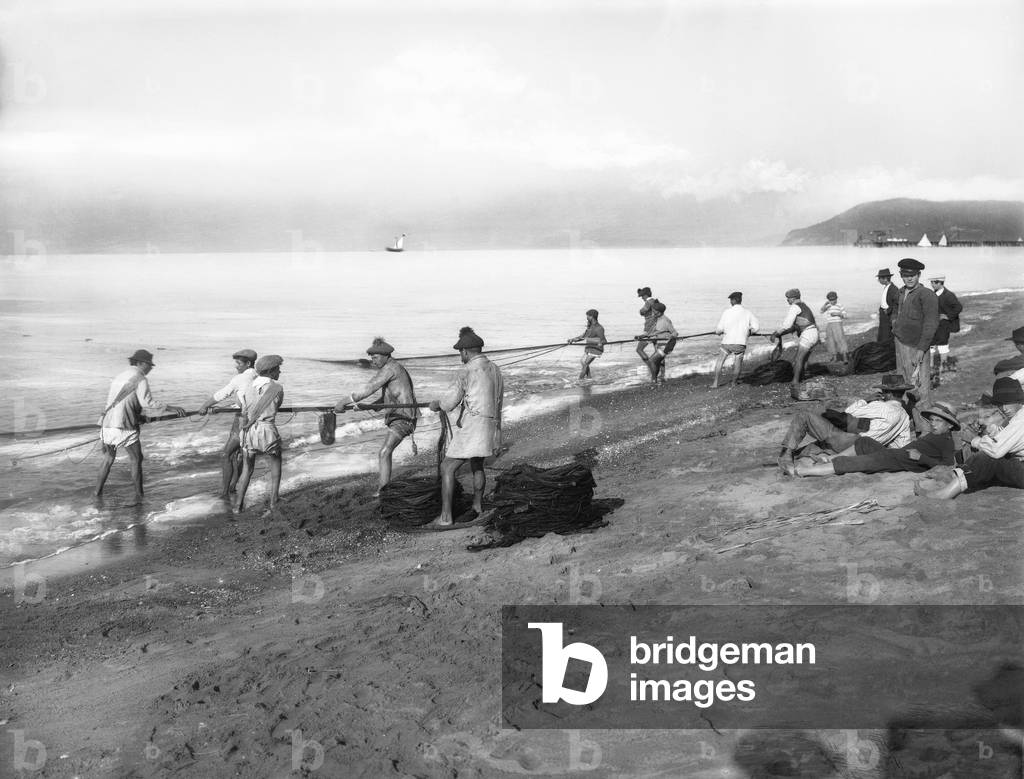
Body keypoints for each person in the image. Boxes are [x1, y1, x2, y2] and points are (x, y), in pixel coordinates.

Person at [427, 327, 504, 527]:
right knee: (477, 464)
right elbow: (499, 402)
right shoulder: (495, 369)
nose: (460, 356)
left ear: (466, 352)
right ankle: (477, 507)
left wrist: (436, 404)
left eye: (460, 353)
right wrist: (498, 431)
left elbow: (449, 403)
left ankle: (445, 517)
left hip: (473, 426)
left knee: (447, 467)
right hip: (490, 424)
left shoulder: (467, 371)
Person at [95, 349, 187, 503]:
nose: (150, 368)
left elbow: (119, 402)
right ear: (140, 363)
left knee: (108, 459)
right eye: (149, 365)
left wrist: (138, 416)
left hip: (107, 424)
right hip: (124, 427)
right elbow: (147, 403)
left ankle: (97, 493)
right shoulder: (140, 378)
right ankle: (140, 496)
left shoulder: (119, 376)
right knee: (136, 459)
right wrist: (172, 408)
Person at [777, 373, 913, 475]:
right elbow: (902, 445)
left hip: (852, 442)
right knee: (818, 446)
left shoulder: (880, 406)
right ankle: (801, 456)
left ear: (886, 394)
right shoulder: (905, 417)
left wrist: (865, 400)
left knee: (805, 415)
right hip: (865, 450)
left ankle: (786, 454)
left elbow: (849, 412)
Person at [335, 337, 418, 496]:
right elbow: (387, 397)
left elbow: (368, 388)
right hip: (401, 415)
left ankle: (383, 490)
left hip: (404, 417)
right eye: (371, 358)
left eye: (375, 358)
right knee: (385, 452)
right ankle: (383, 488)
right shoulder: (394, 368)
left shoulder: (389, 369)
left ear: (386, 356)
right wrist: (368, 406)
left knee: (384, 452)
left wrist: (343, 402)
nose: (372, 361)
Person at [915, 378, 1024, 498]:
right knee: (985, 452)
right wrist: (994, 431)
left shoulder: (1021, 418)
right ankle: (955, 476)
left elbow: (996, 450)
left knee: (988, 457)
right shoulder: (1017, 415)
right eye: (1000, 404)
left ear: (1019, 399)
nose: (1004, 408)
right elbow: (1013, 437)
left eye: (1008, 402)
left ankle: (944, 493)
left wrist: (973, 439)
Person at [795, 401, 958, 477]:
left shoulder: (946, 441)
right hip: (896, 455)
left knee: (857, 463)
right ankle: (831, 458)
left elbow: (948, 466)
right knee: (864, 442)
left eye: (939, 421)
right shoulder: (935, 435)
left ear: (949, 425)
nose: (934, 424)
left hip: (900, 460)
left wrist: (921, 457)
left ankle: (804, 471)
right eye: (933, 420)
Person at [196, 348, 258, 499]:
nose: (236, 366)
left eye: (238, 363)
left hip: (243, 421)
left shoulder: (240, 378)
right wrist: (221, 409)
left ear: (248, 363)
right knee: (240, 454)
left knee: (226, 455)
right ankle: (232, 487)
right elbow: (246, 401)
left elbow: (221, 394)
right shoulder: (258, 376)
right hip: (256, 421)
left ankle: (224, 493)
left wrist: (204, 406)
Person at [892, 258, 939, 430]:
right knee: (903, 383)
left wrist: (921, 348)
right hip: (900, 343)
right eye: (905, 275)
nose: (909, 278)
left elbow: (931, 324)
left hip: (916, 346)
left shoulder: (927, 295)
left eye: (913, 275)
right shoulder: (900, 291)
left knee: (920, 387)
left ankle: (925, 429)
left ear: (919, 275)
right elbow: (895, 312)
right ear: (901, 275)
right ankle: (910, 421)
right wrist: (894, 326)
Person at [235, 355, 284, 514]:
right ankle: (274, 501)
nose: (280, 371)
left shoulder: (248, 387)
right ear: (270, 371)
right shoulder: (277, 388)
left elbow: (242, 407)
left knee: (247, 469)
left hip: (248, 431)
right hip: (266, 430)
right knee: (275, 466)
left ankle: (238, 505)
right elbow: (277, 405)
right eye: (277, 369)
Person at [772, 288, 820, 395]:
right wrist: (781, 333)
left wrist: (776, 333)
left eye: (788, 298)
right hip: (814, 333)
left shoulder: (795, 307)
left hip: (807, 334)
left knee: (798, 359)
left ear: (793, 298)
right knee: (804, 359)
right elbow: (795, 326)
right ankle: (801, 378)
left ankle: (795, 381)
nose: (787, 300)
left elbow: (787, 325)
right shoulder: (804, 306)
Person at [712, 291, 759, 388]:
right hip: (740, 343)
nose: (730, 302)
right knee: (738, 363)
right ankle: (733, 383)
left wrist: (718, 332)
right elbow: (756, 327)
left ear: (733, 301)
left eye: (730, 300)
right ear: (740, 300)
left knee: (720, 361)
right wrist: (750, 332)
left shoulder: (727, 312)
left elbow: (719, 329)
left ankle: (715, 383)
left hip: (727, 343)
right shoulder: (748, 312)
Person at [928, 275, 963, 385]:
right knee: (931, 345)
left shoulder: (948, 295)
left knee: (943, 345)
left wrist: (948, 316)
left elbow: (958, 307)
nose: (932, 284)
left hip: (944, 325)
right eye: (932, 282)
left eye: (933, 282)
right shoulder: (933, 294)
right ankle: (931, 368)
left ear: (940, 283)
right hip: (934, 324)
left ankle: (943, 368)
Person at [641, 301, 678, 382]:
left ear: (659, 312)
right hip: (660, 345)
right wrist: (644, 336)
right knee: (656, 362)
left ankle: (654, 380)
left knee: (652, 361)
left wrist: (671, 335)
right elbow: (656, 332)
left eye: (654, 311)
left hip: (666, 345)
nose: (653, 312)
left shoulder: (665, 320)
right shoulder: (658, 319)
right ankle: (656, 378)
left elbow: (675, 333)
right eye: (653, 310)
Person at [568, 309, 607, 381]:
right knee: (582, 361)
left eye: (587, 316)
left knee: (585, 364)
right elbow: (583, 336)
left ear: (591, 317)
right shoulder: (590, 326)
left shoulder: (599, 328)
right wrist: (573, 340)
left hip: (596, 349)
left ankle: (580, 380)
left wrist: (600, 342)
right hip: (589, 348)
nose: (586, 318)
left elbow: (604, 340)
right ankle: (589, 378)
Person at [819, 291, 848, 363]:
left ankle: (845, 357)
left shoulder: (839, 305)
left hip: (837, 323)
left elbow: (845, 316)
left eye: (834, 299)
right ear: (828, 300)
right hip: (829, 324)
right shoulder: (828, 305)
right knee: (830, 340)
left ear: (836, 298)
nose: (832, 301)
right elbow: (821, 311)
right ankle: (835, 357)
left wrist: (837, 313)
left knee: (840, 339)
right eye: (831, 300)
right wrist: (824, 304)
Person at [636, 287, 660, 368]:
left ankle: (651, 367)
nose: (642, 298)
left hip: (650, 330)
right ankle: (662, 374)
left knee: (639, 349)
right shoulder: (655, 302)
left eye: (642, 296)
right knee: (658, 352)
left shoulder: (649, 301)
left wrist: (641, 311)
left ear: (645, 295)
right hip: (657, 329)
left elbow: (642, 311)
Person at [876, 268, 899, 344]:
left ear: (885, 279)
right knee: (883, 334)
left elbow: (896, 303)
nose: (879, 280)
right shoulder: (887, 287)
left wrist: (888, 310)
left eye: (880, 278)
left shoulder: (893, 289)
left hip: (888, 315)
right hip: (884, 315)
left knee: (887, 335)